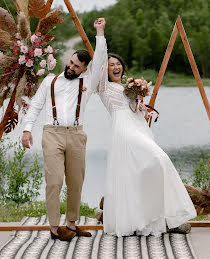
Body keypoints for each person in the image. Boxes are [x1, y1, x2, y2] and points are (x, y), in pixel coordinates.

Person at [95, 19, 197, 237]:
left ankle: (157, 219)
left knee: (142, 171)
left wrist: (142, 104)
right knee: (159, 159)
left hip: (139, 128)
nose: (115, 67)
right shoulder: (103, 88)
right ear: (105, 69)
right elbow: (98, 62)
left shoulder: (128, 87)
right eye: (111, 65)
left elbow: (137, 110)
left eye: (118, 64)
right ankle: (162, 219)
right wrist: (100, 33)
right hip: (123, 131)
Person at [22, 18, 107, 241]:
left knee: (76, 181)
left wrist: (99, 33)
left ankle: (71, 224)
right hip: (53, 134)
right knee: (54, 181)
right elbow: (36, 106)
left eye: (76, 66)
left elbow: (99, 62)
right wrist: (27, 129)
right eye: (70, 63)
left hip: (77, 135)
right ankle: (53, 227)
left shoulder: (87, 83)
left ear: (84, 69)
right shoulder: (50, 81)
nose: (70, 67)